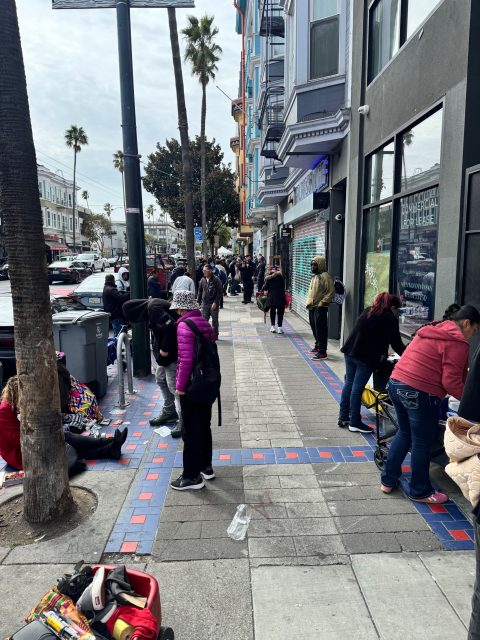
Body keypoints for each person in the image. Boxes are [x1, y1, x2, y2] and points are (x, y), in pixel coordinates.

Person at [381, 305, 480, 504]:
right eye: (474, 331)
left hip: (395, 383)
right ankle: (420, 490)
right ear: (467, 323)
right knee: (421, 442)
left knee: (404, 433)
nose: (472, 335)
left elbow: (460, 376)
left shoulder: (431, 330)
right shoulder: (458, 342)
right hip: (419, 393)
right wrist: (471, 403)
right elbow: (451, 382)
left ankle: (387, 481)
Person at [0, 376, 128, 470]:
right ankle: (110, 444)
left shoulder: (13, 407)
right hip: (20, 455)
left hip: (30, 444)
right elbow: (17, 440)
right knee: (65, 440)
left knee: (65, 437)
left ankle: (111, 446)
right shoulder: (4, 411)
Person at [169, 290, 217, 491]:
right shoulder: (204, 322)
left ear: (181, 308)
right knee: (204, 426)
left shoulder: (183, 326)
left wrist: (180, 388)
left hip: (192, 385)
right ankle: (206, 466)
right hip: (208, 383)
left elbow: (185, 361)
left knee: (190, 431)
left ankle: (191, 476)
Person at [338, 293, 406, 435]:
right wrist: (408, 355)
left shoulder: (368, 310)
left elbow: (370, 334)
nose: (396, 313)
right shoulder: (389, 318)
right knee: (357, 389)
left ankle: (343, 417)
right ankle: (355, 422)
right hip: (365, 357)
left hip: (350, 351)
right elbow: (396, 343)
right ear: (392, 307)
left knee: (349, 384)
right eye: (396, 310)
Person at [123, 298, 182, 437]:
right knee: (161, 379)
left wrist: (164, 350)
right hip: (167, 355)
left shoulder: (153, 307)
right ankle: (169, 412)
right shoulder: (152, 307)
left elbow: (170, 327)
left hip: (172, 352)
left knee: (174, 387)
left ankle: (185, 419)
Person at [306, 256, 334, 359]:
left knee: (321, 329)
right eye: (312, 264)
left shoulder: (325, 276)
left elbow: (331, 292)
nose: (312, 267)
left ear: (320, 265)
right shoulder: (315, 276)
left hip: (320, 307)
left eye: (315, 265)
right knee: (314, 327)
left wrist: (322, 303)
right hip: (312, 306)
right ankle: (318, 346)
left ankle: (322, 352)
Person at [197, 264, 223, 339]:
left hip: (213, 303)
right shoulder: (203, 279)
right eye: (203, 270)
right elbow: (200, 291)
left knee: (214, 321)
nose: (204, 272)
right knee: (204, 321)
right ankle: (205, 335)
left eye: (205, 270)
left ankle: (215, 335)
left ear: (211, 270)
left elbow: (219, 292)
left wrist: (216, 302)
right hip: (205, 303)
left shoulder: (216, 279)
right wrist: (198, 301)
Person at [263, 266, 286, 334]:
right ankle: (279, 328)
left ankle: (273, 327)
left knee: (272, 312)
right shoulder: (281, 278)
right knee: (280, 313)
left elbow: (265, 288)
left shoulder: (269, 279)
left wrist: (266, 281)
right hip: (280, 298)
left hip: (272, 299)